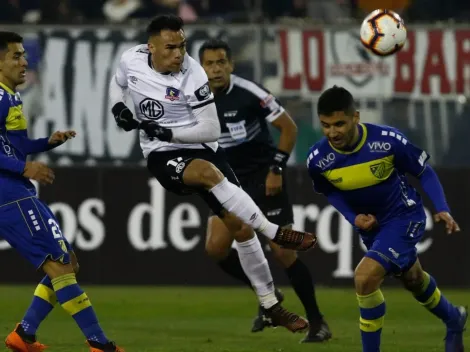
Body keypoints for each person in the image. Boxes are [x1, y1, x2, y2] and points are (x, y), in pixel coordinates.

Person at [108, 15, 316, 333]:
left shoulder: (193, 75)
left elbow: (210, 128)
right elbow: (118, 82)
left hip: (200, 145)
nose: (179, 54)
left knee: (240, 227)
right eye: (171, 47)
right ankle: (273, 231)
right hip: (162, 155)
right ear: (151, 48)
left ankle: (271, 305)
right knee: (208, 175)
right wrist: (119, 109)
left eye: (182, 46)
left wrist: (167, 132)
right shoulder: (131, 59)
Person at [306, 85, 467, 352]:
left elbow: (424, 172)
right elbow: (329, 191)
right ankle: (454, 318)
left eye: (339, 124)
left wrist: (441, 207)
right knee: (414, 279)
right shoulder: (319, 159)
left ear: (355, 117)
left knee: (365, 278)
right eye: (325, 125)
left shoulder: (388, 141)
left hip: (404, 215)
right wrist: (353, 217)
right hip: (372, 227)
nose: (332, 132)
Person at [198, 38, 331, 342]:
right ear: (202, 67)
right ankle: (268, 295)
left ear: (230, 65)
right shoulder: (196, 97)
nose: (216, 69)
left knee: (283, 250)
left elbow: (289, 128)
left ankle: (318, 322)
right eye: (210, 63)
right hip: (228, 183)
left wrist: (277, 169)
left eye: (221, 62)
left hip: (263, 177)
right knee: (216, 248)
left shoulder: (250, 93)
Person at [0, 31, 124, 352]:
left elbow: (16, 147)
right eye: (15, 56)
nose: (24, 62)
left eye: (24, 55)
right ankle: (100, 344)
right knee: (59, 266)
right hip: (8, 194)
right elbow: (14, 160)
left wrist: (47, 143)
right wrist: (23, 168)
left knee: (68, 262)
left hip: (17, 189)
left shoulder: (10, 97)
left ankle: (24, 335)